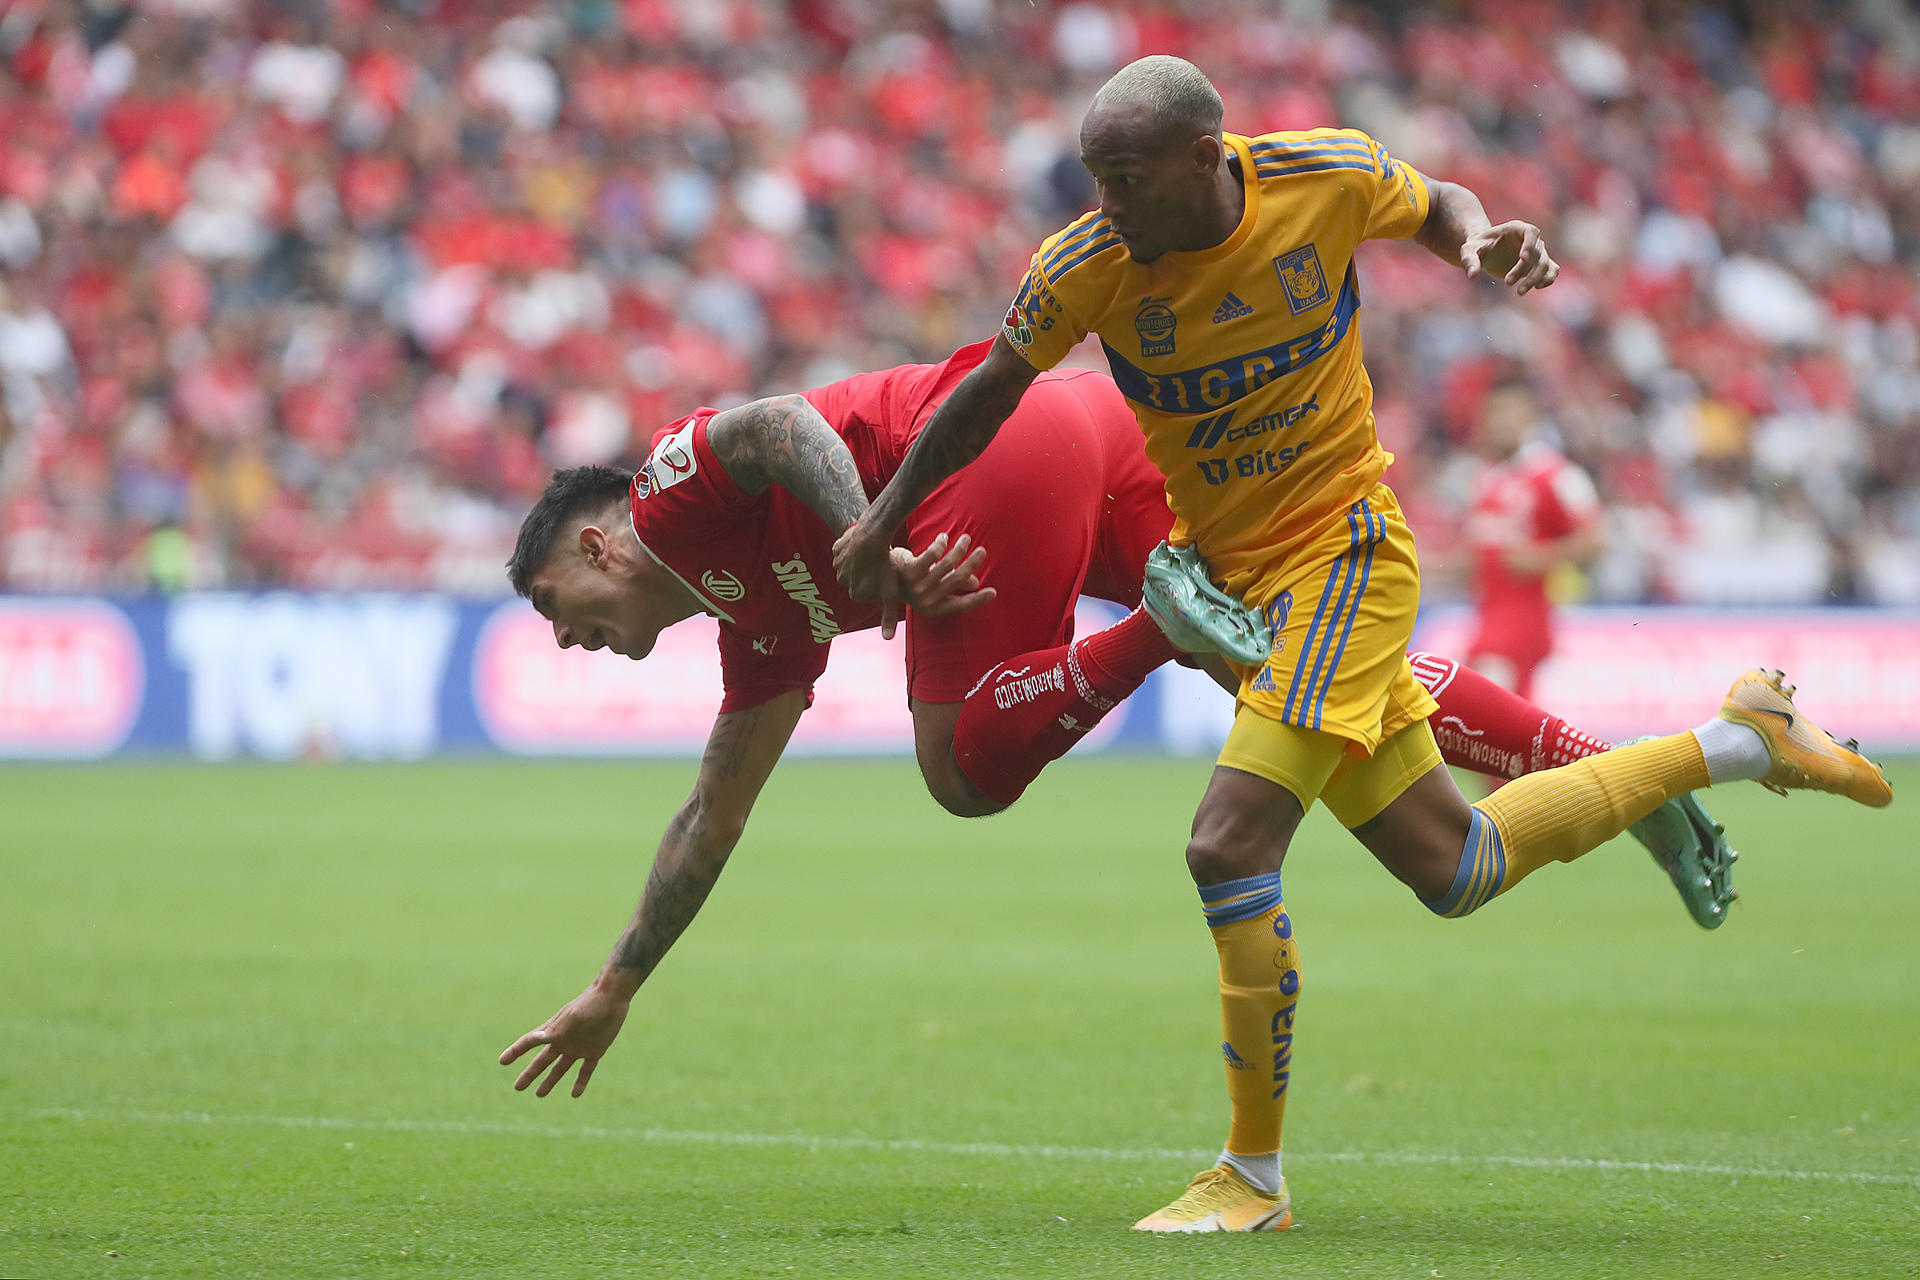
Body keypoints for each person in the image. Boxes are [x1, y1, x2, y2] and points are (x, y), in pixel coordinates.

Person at [831, 55, 1891, 1233]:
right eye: (1094, 179)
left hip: (1343, 555)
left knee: (1226, 840)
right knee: (1458, 866)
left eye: (1125, 179)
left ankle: (1253, 1174)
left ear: (1203, 160)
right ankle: (1734, 738)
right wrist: (879, 522)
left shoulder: (1319, 176)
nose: (1106, 203)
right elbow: (986, 392)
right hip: (1245, 584)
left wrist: (1480, 241)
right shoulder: (1083, 264)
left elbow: (1438, 204)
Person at [493, 343, 1735, 1110]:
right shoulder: (753, 627)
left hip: (986, 445)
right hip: (1085, 424)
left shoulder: (663, 495)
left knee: (960, 770)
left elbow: (772, 423)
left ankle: (1157, 625)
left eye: (557, 605)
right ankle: (1622, 772)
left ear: (598, 543)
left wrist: (876, 528)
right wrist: (616, 985)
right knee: (1328, 672)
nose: (565, 637)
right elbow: (715, 810)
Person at [1464, 376, 1604, 700]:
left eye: (1507, 411)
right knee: (1506, 735)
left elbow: (1595, 539)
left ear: (1530, 417)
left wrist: (1540, 558)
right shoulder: (1488, 477)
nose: (1498, 421)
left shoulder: (1555, 473)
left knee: (1482, 716)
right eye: (1492, 412)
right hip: (1487, 617)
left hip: (1522, 625)